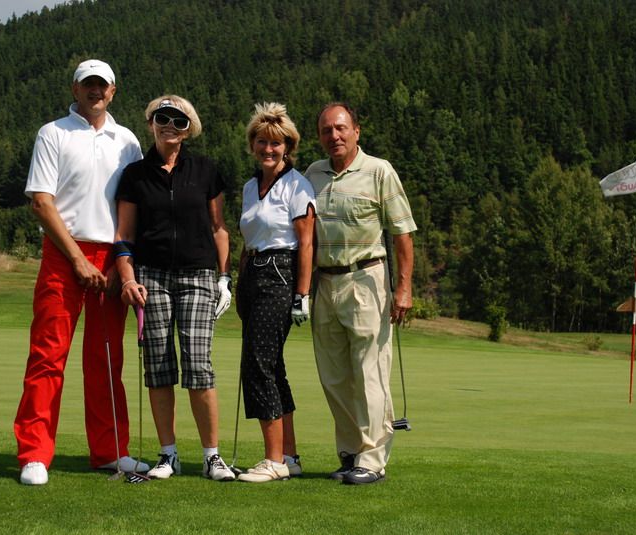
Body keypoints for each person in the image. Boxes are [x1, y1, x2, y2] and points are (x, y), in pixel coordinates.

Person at [14, 59, 147, 485]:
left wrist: (124, 262)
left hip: (111, 257)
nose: (95, 91)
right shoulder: (53, 133)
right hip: (63, 253)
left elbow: (132, 207)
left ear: (113, 91)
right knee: (48, 355)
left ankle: (110, 451)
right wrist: (76, 259)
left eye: (102, 86)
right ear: (75, 89)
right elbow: (41, 202)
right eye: (88, 84)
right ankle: (34, 454)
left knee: (106, 359)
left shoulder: (127, 141)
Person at [114, 95, 235, 482]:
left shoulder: (204, 170)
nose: (170, 125)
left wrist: (224, 277)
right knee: (159, 366)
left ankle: (212, 456)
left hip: (198, 274)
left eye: (178, 121)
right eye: (162, 118)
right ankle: (168, 455)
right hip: (151, 277)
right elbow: (124, 236)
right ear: (151, 123)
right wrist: (128, 277)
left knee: (198, 365)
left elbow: (218, 228)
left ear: (188, 129)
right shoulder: (135, 175)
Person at [304, 102, 416, 485]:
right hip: (325, 282)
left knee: (370, 372)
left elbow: (402, 233)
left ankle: (372, 458)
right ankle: (350, 452)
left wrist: (404, 288)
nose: (334, 136)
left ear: (356, 131)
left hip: (367, 278)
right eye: (326, 130)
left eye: (340, 128)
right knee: (334, 376)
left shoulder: (379, 171)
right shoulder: (312, 174)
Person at [234, 103, 315, 483]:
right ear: (253, 144)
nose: (269, 149)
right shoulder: (251, 187)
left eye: (277, 143)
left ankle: (273, 460)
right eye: (262, 142)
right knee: (273, 367)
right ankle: (289, 456)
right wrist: (236, 282)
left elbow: (306, 242)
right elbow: (248, 238)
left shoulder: (297, 185)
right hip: (252, 275)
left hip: (280, 274)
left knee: (258, 364)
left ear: (288, 147)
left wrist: (302, 295)